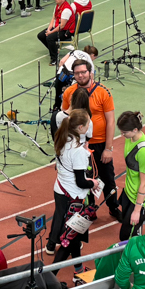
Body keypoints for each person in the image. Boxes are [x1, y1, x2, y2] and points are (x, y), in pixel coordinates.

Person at [62, 59, 119, 219]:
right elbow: (64, 117)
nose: (80, 76)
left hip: (100, 144)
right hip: (79, 148)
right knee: (83, 180)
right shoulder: (69, 93)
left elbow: (110, 121)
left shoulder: (103, 92)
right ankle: (89, 210)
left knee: (108, 178)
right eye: (77, 73)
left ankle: (113, 207)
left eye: (83, 72)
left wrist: (108, 148)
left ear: (90, 72)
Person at [49, 108, 97, 265]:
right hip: (73, 197)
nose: (89, 126)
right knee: (70, 239)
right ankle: (52, 273)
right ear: (81, 127)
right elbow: (80, 181)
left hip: (61, 190)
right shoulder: (78, 151)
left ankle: (78, 270)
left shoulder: (63, 139)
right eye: (88, 124)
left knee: (74, 238)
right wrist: (93, 183)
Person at [116, 111, 145, 240]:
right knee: (127, 234)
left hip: (139, 200)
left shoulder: (144, 152)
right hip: (128, 193)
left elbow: (144, 184)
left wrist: (137, 210)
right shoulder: (130, 138)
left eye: (124, 132)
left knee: (126, 237)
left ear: (135, 130)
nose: (122, 135)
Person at [38, 0, 78, 66]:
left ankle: (55, 59)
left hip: (66, 31)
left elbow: (62, 26)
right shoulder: (57, 6)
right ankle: (55, 49)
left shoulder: (66, 10)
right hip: (57, 27)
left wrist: (51, 32)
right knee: (41, 35)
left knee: (49, 38)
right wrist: (49, 29)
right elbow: (54, 18)